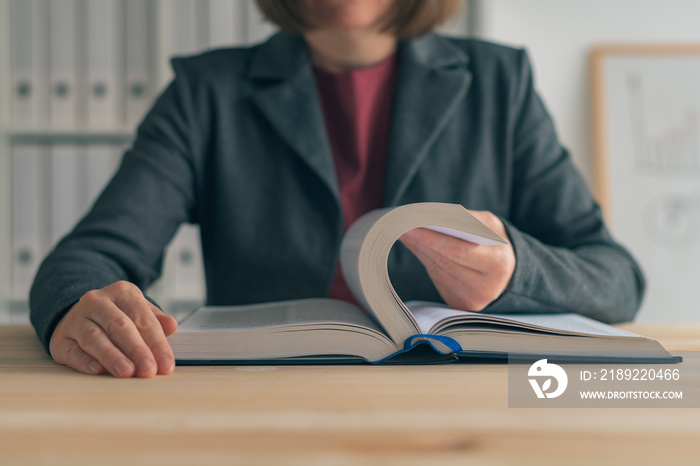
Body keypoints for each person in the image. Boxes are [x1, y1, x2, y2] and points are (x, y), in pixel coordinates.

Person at [30, 0, 645, 378]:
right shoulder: (207, 92)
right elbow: (88, 257)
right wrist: (77, 309)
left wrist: (514, 270)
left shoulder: (499, 83)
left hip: (462, 409)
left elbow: (615, 278)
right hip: (263, 403)